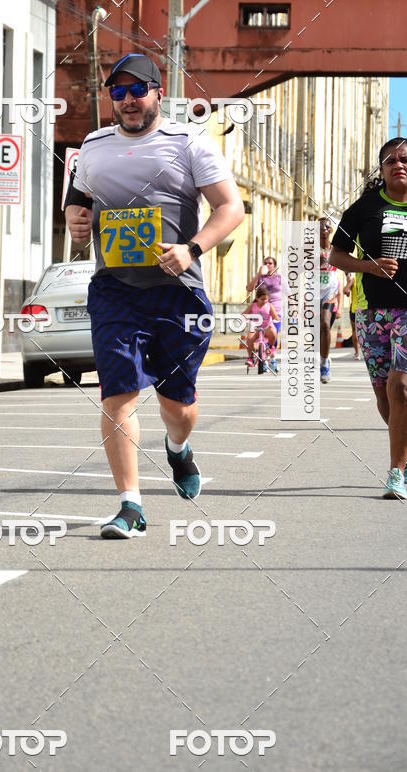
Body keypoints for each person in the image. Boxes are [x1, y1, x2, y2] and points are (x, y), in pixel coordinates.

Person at [64, 52, 244, 537]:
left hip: (177, 292)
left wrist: (191, 249)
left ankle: (178, 447)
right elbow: (77, 203)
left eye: (136, 90)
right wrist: (75, 220)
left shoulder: (189, 141)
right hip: (115, 289)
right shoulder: (94, 144)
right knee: (116, 394)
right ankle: (130, 506)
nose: (126, 100)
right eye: (116, 92)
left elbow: (231, 207)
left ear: (157, 92)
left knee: (177, 404)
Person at [329, 136, 407, 500]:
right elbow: (336, 255)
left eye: (406, 159)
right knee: (384, 395)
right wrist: (369, 267)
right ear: (381, 171)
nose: (398, 164)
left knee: (405, 387)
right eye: (390, 161)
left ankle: (395, 472)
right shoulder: (364, 208)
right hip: (371, 311)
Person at [319, 217, 341, 383]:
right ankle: (322, 356)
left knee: (326, 325)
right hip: (312, 293)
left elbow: (346, 271)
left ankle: (325, 363)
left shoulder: (336, 249)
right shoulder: (309, 249)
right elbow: (295, 269)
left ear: (331, 230)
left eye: (326, 227)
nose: (323, 229)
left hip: (329, 293)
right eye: (319, 227)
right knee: (317, 333)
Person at [246, 256, 284, 345]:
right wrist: (259, 274)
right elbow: (249, 288)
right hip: (261, 310)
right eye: (265, 263)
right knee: (259, 334)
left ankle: (271, 352)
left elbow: (289, 293)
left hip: (276, 310)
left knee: (273, 332)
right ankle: (262, 352)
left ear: (274, 266)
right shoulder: (261, 278)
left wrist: (293, 307)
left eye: (270, 263)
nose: (267, 265)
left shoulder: (279, 278)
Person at [243, 286, 278, 370]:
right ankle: (251, 357)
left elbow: (275, 316)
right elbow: (244, 314)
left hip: (266, 327)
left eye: (266, 299)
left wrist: (276, 319)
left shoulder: (270, 306)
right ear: (257, 298)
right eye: (262, 299)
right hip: (256, 328)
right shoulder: (253, 306)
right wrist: (244, 319)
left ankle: (271, 347)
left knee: (273, 332)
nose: (265, 301)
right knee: (249, 338)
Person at [343, 273, 361, 359]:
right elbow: (346, 291)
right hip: (366, 308)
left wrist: (348, 285)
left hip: (355, 308)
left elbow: (346, 291)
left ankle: (357, 353)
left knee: (355, 331)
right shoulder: (353, 279)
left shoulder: (353, 279)